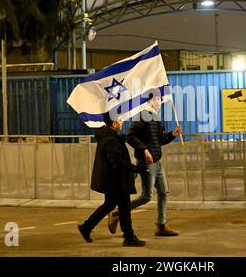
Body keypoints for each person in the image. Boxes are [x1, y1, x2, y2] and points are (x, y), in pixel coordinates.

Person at [108, 91, 182, 236]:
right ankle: (118, 213)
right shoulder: (142, 115)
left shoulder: (155, 117)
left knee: (163, 192)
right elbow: (130, 136)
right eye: (157, 99)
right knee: (146, 196)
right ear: (150, 101)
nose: (160, 102)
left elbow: (160, 140)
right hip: (147, 162)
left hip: (157, 161)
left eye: (160, 99)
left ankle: (161, 225)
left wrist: (172, 135)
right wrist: (145, 150)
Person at [77, 112, 147, 247]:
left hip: (113, 180)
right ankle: (129, 237)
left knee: (110, 205)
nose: (123, 122)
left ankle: (86, 227)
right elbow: (117, 161)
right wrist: (136, 169)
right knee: (124, 208)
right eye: (120, 120)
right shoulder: (110, 139)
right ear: (114, 124)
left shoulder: (110, 136)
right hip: (116, 181)